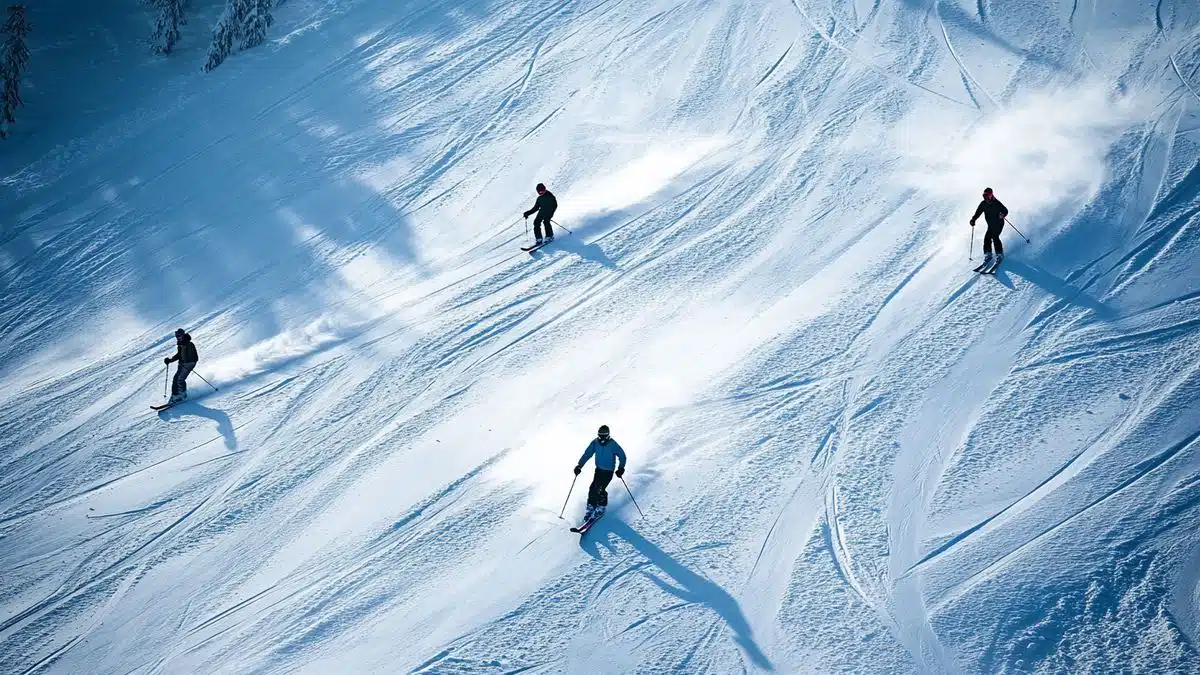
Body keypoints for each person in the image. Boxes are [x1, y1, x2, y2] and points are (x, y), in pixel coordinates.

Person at [574, 424, 626, 521]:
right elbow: (587, 454)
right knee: (593, 487)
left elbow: (622, 456)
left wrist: (621, 468)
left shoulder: (613, 444)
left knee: (600, 488)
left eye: (603, 436)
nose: (601, 438)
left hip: (608, 471)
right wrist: (579, 466)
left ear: (608, 436)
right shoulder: (595, 443)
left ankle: (601, 507)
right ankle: (591, 506)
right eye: (600, 436)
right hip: (598, 470)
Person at [970, 187, 1009, 267]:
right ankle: (988, 254)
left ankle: (999, 254)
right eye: (984, 196)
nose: (986, 197)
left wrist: (1003, 215)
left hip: (999, 223)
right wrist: (973, 219)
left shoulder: (996, 203)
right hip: (991, 225)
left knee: (995, 236)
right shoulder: (983, 204)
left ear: (991, 195)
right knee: (987, 238)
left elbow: (1005, 210)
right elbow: (978, 213)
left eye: (988, 195)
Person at [164, 328, 199, 404]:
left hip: (189, 363)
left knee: (180, 379)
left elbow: (194, 357)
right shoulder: (180, 345)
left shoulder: (189, 344)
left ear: (183, 335)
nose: (178, 337)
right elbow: (179, 355)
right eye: (177, 336)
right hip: (183, 364)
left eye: (179, 336)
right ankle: (175, 395)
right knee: (175, 378)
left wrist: (186, 362)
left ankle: (182, 395)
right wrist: (170, 360)